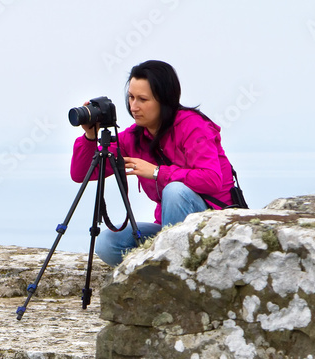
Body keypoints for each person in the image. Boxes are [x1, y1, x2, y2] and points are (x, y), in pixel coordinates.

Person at [71, 60, 236, 266]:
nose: (133, 107)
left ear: (164, 100)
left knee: (175, 191)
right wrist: (89, 136)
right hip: (170, 232)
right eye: (131, 97)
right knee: (107, 243)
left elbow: (212, 179)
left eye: (143, 99)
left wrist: (158, 172)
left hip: (215, 228)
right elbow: (81, 174)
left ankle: (172, 275)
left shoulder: (193, 127)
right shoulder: (133, 137)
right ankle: (163, 269)